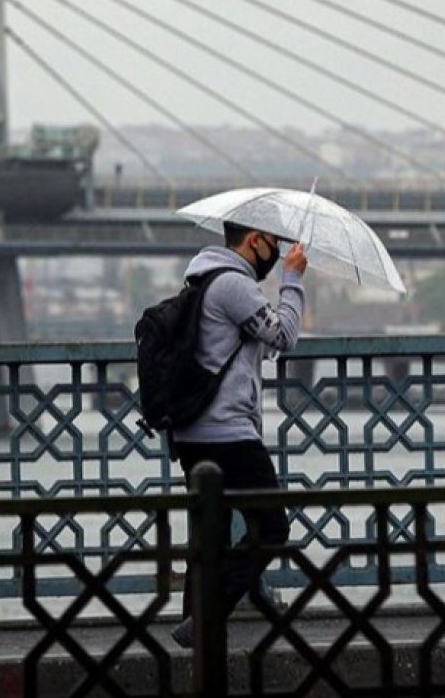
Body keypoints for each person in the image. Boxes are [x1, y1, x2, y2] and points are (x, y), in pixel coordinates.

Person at [170, 220, 308, 648]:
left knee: (209, 533)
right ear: (255, 241)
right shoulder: (233, 283)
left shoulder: (202, 277)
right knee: (271, 527)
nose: (277, 250)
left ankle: (195, 624)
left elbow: (248, 343)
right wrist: (293, 279)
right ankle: (206, 618)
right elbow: (284, 336)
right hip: (227, 431)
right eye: (274, 243)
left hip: (192, 432)